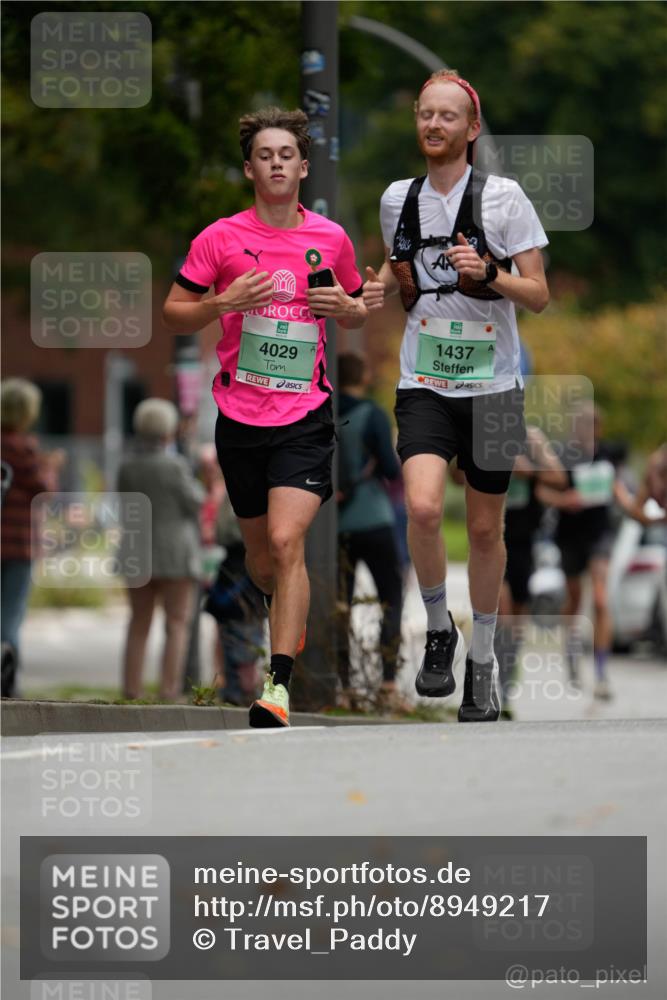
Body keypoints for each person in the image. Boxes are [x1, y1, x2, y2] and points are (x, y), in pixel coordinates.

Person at [163, 107, 367, 727]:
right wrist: (221, 302)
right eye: (265, 155)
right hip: (240, 416)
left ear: (303, 167)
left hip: (305, 414)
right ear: (249, 167)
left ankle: (276, 686)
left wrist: (346, 307)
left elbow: (356, 308)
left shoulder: (329, 238)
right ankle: (289, 614)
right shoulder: (219, 237)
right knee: (260, 560)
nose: (276, 163)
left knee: (286, 541)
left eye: (287, 154)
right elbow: (175, 310)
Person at [363, 69, 549, 722]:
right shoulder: (397, 199)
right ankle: (439, 628)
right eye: (424, 114)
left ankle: (483, 661)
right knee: (419, 507)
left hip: (494, 387)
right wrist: (364, 296)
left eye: (447, 116)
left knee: (483, 528)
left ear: (471, 130)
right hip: (424, 381)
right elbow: (398, 277)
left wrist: (490, 273)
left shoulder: (503, 199)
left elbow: (539, 293)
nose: (433, 125)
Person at [536, 403, 646, 699]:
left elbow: (618, 491)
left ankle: (600, 672)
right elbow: (541, 491)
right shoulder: (563, 456)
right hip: (570, 536)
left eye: (591, 426)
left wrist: (640, 513)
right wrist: (563, 500)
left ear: (598, 428)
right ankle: (571, 654)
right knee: (575, 599)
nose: (585, 431)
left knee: (599, 599)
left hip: (600, 534)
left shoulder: (608, 455)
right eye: (581, 425)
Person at [117, 398, 205, 701]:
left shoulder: (127, 467)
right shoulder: (176, 466)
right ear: (168, 431)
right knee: (177, 623)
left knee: (138, 622)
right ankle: (169, 690)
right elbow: (194, 501)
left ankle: (131, 689)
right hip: (176, 553)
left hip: (135, 550)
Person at [336, 351, 404, 713]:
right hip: (374, 518)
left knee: (339, 606)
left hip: (334, 525)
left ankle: (345, 688)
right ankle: (388, 683)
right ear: (361, 376)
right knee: (390, 598)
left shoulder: (323, 411)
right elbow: (392, 469)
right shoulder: (372, 414)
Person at [494, 426, 567, 717]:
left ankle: (506, 685)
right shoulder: (485, 435)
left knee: (517, 620)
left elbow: (560, 478)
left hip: (523, 540)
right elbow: (456, 476)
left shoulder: (532, 438)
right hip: (492, 537)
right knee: (502, 611)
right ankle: (493, 683)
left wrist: (528, 471)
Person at [1, 378, 64, 697]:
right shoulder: (24, 448)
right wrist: (50, 466)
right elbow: (44, 489)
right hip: (17, 543)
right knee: (10, 614)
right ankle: (7, 684)